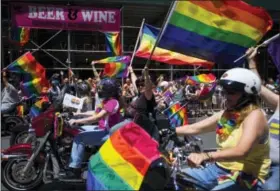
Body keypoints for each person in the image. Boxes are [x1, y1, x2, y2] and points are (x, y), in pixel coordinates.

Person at [175, 68, 271, 190]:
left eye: (231, 92)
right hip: (218, 169)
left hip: (247, 176)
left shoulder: (255, 116)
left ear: (247, 94)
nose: (225, 96)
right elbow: (196, 128)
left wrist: (206, 156)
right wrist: (169, 131)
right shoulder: (228, 113)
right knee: (178, 179)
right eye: (224, 91)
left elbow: (241, 151)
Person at [64, 78, 122, 179]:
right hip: (101, 128)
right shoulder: (107, 101)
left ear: (109, 91)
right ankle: (80, 155)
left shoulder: (113, 102)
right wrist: (77, 114)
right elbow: (95, 112)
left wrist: (77, 121)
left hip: (108, 133)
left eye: (102, 89)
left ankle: (75, 168)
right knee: (77, 130)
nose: (99, 90)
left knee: (80, 137)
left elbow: (98, 117)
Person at [247, 47, 279, 190]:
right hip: (258, 162)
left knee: (269, 188)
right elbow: (259, 88)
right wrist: (252, 63)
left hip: (276, 170)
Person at [123, 66, 158, 140]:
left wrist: (146, 76)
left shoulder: (147, 96)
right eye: (138, 85)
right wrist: (131, 71)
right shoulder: (139, 94)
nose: (140, 87)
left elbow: (148, 88)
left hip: (145, 131)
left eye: (142, 85)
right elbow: (135, 81)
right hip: (134, 127)